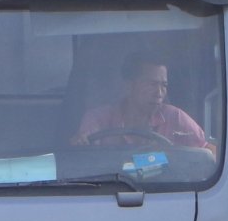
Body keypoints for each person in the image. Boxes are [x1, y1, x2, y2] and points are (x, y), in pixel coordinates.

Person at [75, 55, 214, 150]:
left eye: (164, 85)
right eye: (152, 84)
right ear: (129, 85)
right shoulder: (98, 119)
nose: (159, 93)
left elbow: (210, 153)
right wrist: (81, 143)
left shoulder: (175, 117)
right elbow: (83, 154)